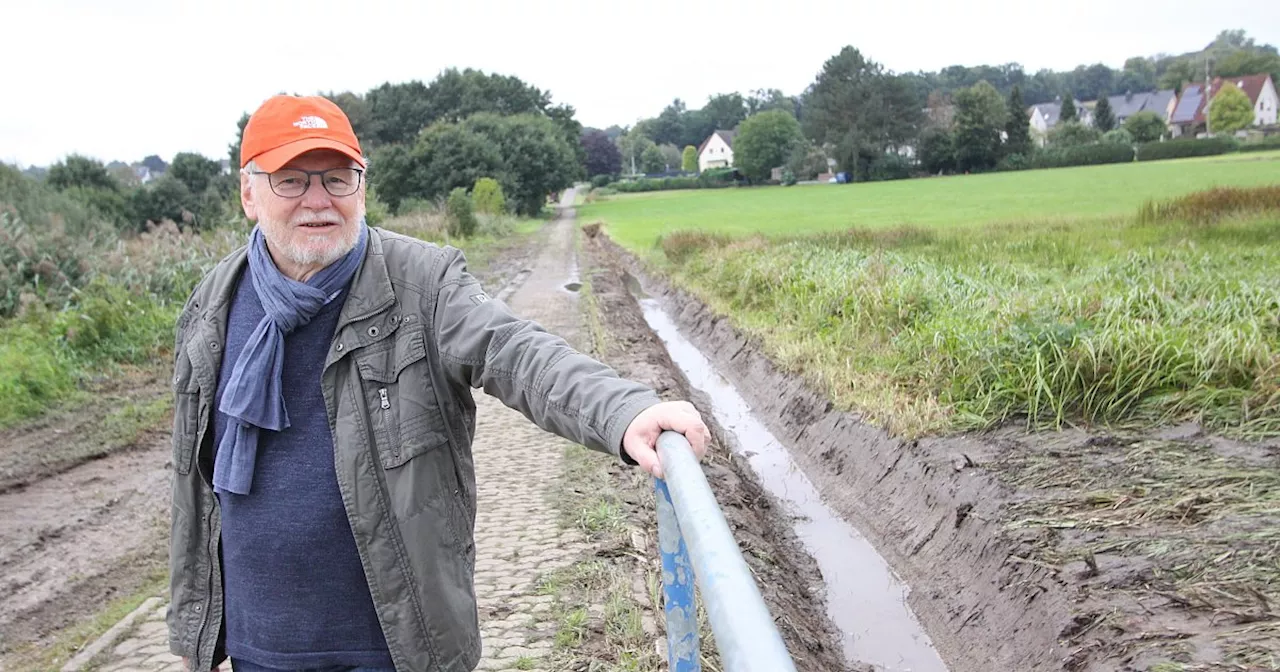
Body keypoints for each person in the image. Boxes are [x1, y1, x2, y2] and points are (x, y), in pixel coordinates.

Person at [166, 94, 711, 672]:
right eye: (292, 181)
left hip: (395, 645)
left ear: (363, 187)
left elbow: (516, 351)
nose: (319, 200)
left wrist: (624, 412)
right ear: (249, 193)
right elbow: (191, 486)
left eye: (337, 177)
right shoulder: (214, 301)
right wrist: (194, 633)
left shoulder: (422, 283)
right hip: (261, 645)